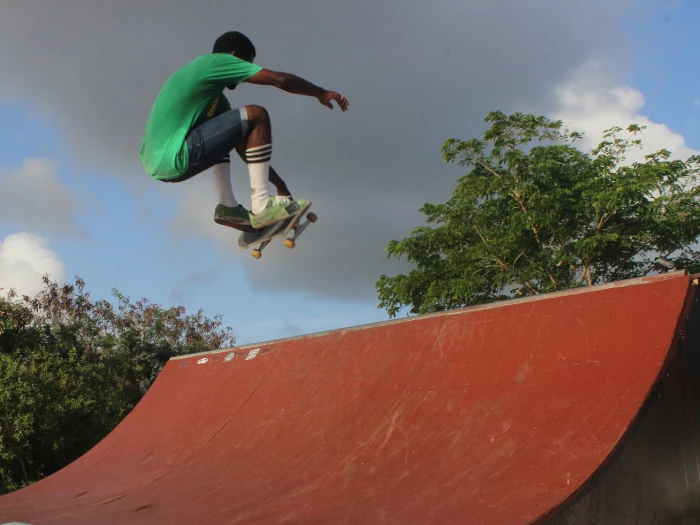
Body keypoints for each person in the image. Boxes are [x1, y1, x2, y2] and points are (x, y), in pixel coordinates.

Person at [139, 31, 349, 231]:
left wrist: (281, 186)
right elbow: (279, 80)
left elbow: (244, 147)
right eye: (245, 63)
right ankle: (261, 206)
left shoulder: (214, 100)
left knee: (230, 133)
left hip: (160, 162)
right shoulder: (217, 61)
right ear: (234, 56)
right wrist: (320, 93)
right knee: (257, 114)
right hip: (174, 156)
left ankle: (227, 205)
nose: (242, 74)